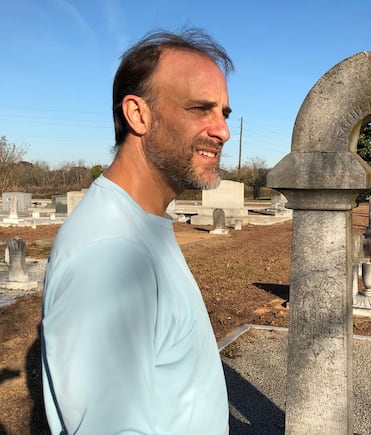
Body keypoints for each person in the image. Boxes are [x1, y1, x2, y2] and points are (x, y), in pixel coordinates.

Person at [41, 29, 234, 434]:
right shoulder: (110, 254)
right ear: (138, 115)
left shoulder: (142, 225)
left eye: (224, 113)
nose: (223, 131)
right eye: (201, 109)